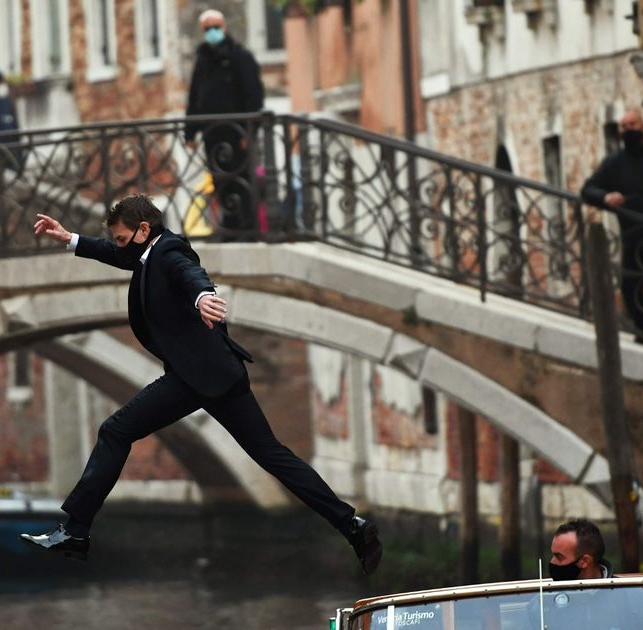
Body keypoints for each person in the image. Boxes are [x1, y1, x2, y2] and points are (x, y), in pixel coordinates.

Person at [24, 196, 383, 574]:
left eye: (122, 237)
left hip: (194, 377)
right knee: (273, 455)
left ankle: (76, 531)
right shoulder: (145, 253)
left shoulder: (170, 252)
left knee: (115, 430)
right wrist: (70, 239)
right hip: (217, 373)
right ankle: (352, 526)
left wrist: (203, 296)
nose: (119, 245)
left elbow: (189, 273)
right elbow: (119, 256)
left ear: (144, 230)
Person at [185, 9, 265, 240]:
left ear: (225, 27)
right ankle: (228, 228)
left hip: (237, 132)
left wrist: (249, 131)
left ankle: (246, 228)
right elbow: (195, 98)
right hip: (212, 133)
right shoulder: (202, 62)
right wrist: (190, 133)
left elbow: (253, 96)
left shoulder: (240, 57)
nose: (212, 32)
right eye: (208, 28)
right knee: (219, 181)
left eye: (216, 27)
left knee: (242, 179)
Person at [581, 109, 643, 341]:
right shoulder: (616, 162)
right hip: (633, 234)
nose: (627, 130)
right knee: (631, 285)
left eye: (632, 124)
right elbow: (588, 190)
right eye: (623, 127)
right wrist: (606, 198)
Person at [532, 519, 643, 630]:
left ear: (584, 561)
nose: (552, 562)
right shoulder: (542, 605)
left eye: (559, 557)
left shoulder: (636, 601)